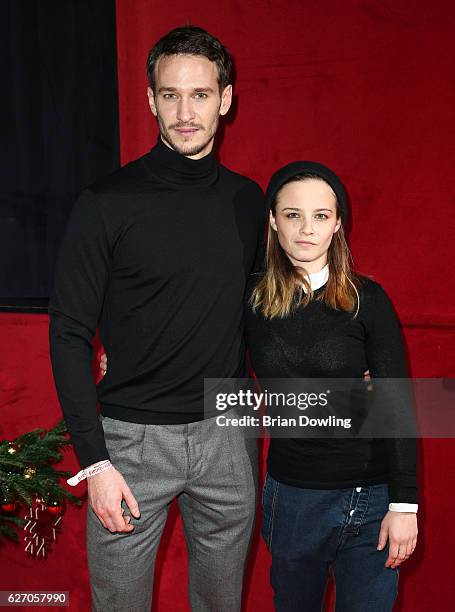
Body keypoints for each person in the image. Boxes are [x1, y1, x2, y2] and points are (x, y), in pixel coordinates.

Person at [49, 25, 265, 612]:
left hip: (229, 436)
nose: (185, 111)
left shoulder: (251, 202)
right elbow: (68, 333)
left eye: (200, 95)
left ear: (226, 99)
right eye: (170, 94)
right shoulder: (106, 203)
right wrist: (95, 460)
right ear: (150, 99)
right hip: (129, 445)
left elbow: (263, 316)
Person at [243, 161, 419, 611]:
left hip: (373, 498)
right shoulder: (251, 301)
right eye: (293, 214)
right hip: (296, 498)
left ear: (338, 224)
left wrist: (404, 506)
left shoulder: (368, 300)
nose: (307, 228)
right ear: (272, 221)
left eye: (321, 215)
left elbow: (396, 404)